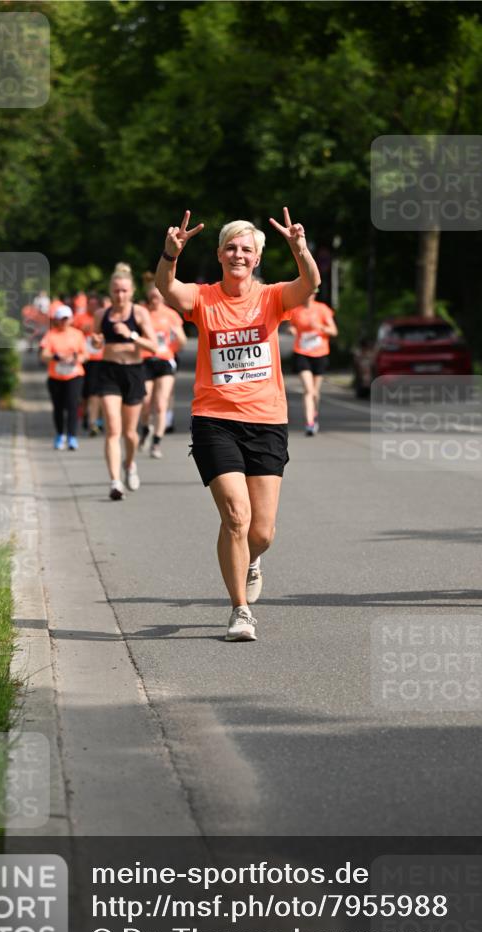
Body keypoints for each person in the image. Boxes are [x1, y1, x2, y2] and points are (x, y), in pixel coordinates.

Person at [156, 208, 320, 641]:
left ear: (257, 257)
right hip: (215, 419)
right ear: (219, 253)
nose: (238, 254)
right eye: (231, 247)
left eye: (246, 248)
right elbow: (166, 289)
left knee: (260, 532)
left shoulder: (272, 298)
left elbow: (311, 285)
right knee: (235, 516)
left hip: (267, 420)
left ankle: (251, 559)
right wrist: (170, 255)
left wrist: (300, 249)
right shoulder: (205, 298)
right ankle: (240, 611)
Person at [92, 264, 157, 500]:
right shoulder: (101, 315)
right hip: (109, 372)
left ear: (131, 292)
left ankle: (129, 464)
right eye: (116, 290)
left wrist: (131, 334)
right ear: (110, 291)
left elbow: (154, 345)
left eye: (124, 291)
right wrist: (97, 342)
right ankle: (115, 482)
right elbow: (95, 342)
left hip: (133, 372)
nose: (120, 295)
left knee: (130, 433)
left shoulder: (139, 313)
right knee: (112, 429)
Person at [138, 284, 187, 458]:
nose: (154, 300)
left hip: (165, 361)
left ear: (163, 298)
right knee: (145, 402)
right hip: (145, 360)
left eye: (157, 297)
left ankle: (156, 443)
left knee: (160, 404)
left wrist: (173, 346)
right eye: (151, 297)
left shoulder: (171, 315)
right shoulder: (141, 313)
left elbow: (182, 340)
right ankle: (145, 428)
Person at [287, 290, 338, 434]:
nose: (308, 295)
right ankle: (309, 423)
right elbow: (292, 325)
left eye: (311, 293)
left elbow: (334, 331)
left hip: (320, 353)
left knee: (315, 392)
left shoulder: (322, 309)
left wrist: (321, 327)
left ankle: (314, 412)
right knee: (308, 390)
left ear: (315, 294)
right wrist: (291, 330)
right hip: (302, 353)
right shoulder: (296, 310)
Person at [39, 305, 88, 450]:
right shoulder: (51, 335)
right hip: (56, 377)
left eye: (67, 319)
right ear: (57, 320)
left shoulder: (78, 334)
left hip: (74, 375)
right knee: (58, 407)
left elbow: (85, 355)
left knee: (73, 406)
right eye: (61, 319)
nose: (64, 322)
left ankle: (72, 436)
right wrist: (55, 356)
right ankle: (60, 434)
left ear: (71, 319)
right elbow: (43, 355)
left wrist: (75, 358)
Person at [72, 292, 104, 435]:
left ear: (98, 305)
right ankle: (86, 415)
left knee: (95, 391)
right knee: (84, 392)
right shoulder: (79, 318)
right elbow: (71, 333)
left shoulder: (103, 317)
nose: (92, 307)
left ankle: (94, 420)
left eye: (94, 304)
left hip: (98, 359)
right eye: (89, 304)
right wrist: (80, 330)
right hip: (84, 359)